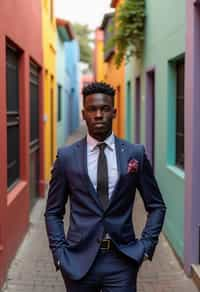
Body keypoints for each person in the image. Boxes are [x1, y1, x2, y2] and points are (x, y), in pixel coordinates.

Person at [45, 81, 166, 292]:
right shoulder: (66, 157)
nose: (98, 114)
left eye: (105, 108)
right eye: (92, 109)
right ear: (84, 114)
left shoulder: (134, 154)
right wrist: (59, 254)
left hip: (122, 260)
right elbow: (53, 212)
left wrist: (145, 247)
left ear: (114, 112)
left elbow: (156, 206)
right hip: (78, 261)